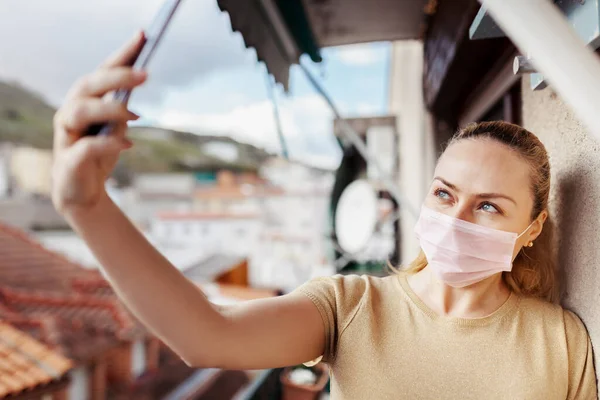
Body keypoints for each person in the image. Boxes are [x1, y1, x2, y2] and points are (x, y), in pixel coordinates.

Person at [52, 33, 597, 399]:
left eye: (487, 207)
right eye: (443, 194)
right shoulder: (352, 307)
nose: (455, 219)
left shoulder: (562, 342)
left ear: (531, 229)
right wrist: (88, 208)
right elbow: (206, 335)